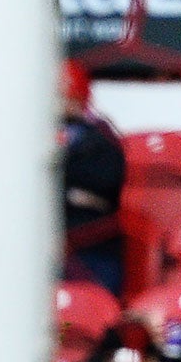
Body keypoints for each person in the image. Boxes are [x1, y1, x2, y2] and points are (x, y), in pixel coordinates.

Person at [61, 64, 127, 294]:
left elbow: (106, 181)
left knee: (95, 313)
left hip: (91, 245)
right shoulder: (29, 133)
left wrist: (59, 174)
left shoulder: (101, 134)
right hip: (43, 244)